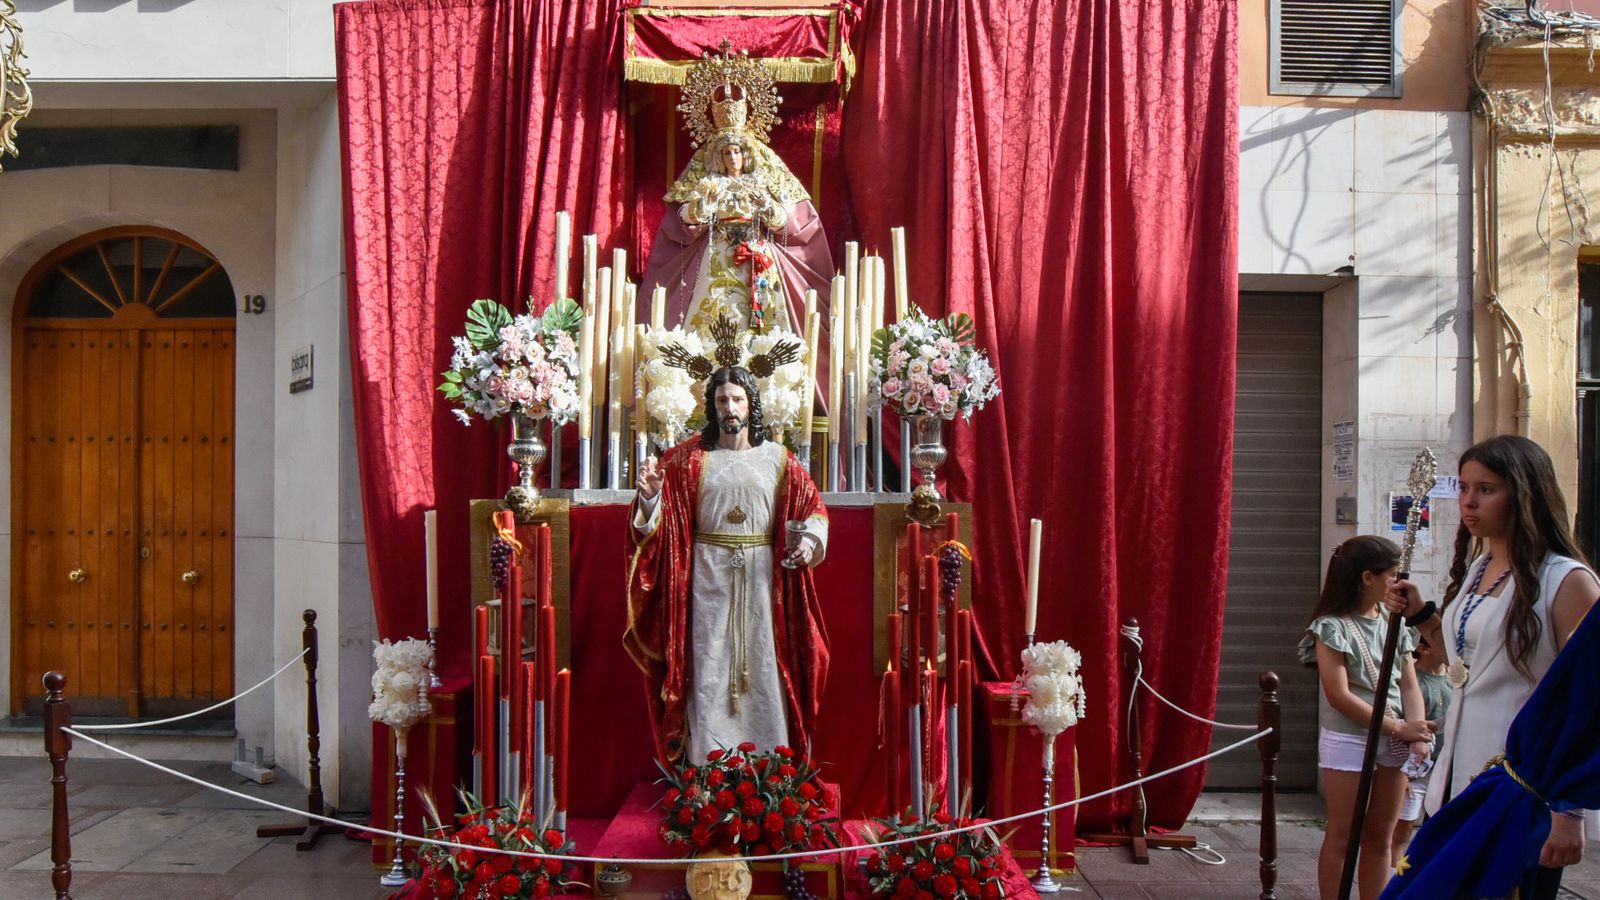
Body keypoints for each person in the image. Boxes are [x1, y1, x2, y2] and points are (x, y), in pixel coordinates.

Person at [1383, 434, 1600, 899]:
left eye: (1486, 488)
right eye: (1463, 488)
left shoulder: (1568, 581)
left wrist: (1570, 812)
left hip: (1520, 791)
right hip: (1457, 782)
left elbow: (1585, 701)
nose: (1469, 502)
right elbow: (1465, 664)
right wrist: (1422, 616)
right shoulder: (1481, 567)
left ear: (1525, 491)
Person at [623, 366, 830, 764]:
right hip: (707, 580)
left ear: (750, 403)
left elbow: (812, 510)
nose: (729, 408)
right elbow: (659, 525)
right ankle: (708, 769)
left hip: (761, 581)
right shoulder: (687, 461)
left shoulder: (778, 460)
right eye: (721, 401)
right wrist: (650, 498)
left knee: (764, 666)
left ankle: (771, 766)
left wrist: (809, 540)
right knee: (710, 666)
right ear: (711, 407)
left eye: (737, 399)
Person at [640, 46, 833, 340]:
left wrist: (767, 206)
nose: (733, 157)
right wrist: (704, 205)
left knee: (763, 316)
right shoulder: (708, 180)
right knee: (712, 312)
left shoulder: (763, 177)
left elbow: (789, 220)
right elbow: (682, 217)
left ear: (747, 153)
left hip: (757, 253)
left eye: (738, 151)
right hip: (716, 253)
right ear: (719, 155)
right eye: (727, 152)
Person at [1299, 535, 1434, 900]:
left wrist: (1416, 730)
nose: (1399, 584)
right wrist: (1398, 727)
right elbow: (1339, 694)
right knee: (1343, 835)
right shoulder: (1332, 626)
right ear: (1367, 578)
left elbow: (1410, 686)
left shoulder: (1396, 624)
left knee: (1382, 836)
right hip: (1351, 737)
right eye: (1392, 575)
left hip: (1396, 737)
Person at [1388, 632, 1451, 861]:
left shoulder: (1454, 678)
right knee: (1402, 830)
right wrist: (1401, 777)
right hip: (1415, 770)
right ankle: (1395, 879)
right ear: (1424, 649)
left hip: (1444, 767)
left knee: (1438, 827)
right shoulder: (1413, 679)